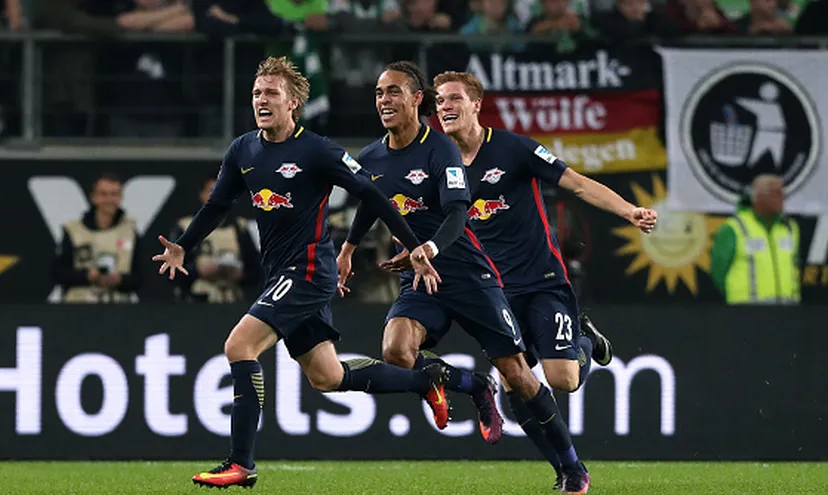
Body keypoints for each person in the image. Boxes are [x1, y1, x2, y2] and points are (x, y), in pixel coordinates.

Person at [152, 56, 470, 489]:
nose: (261, 101)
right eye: (256, 94)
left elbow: (374, 196)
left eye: (271, 94)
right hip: (278, 272)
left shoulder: (318, 150)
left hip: (308, 270)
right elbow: (217, 206)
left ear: (294, 103)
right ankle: (423, 380)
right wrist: (183, 246)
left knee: (239, 346)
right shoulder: (243, 149)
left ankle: (240, 463)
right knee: (327, 377)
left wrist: (414, 244)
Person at [335, 61, 593, 494]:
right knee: (396, 350)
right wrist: (347, 248)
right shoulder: (372, 156)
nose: (384, 101)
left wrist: (429, 248)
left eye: (393, 91)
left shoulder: (441, 150)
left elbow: (457, 212)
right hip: (421, 277)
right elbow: (370, 200)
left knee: (521, 376)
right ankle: (474, 385)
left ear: (417, 100)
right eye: (379, 93)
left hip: (469, 273)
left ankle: (571, 467)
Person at [393, 70, 655, 492]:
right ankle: (566, 472)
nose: (445, 107)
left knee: (564, 380)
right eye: (439, 101)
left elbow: (578, 184)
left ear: (476, 105)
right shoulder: (434, 160)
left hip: (539, 281)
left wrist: (629, 211)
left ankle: (584, 342)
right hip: (490, 289)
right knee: (518, 384)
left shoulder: (512, 148)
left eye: (455, 99)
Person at [52, 173, 145, 303]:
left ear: (120, 197)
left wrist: (120, 279)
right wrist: (87, 276)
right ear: (94, 197)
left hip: (119, 306)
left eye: (114, 194)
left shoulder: (129, 231)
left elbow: (140, 277)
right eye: (103, 194)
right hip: (78, 306)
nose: (109, 199)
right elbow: (58, 272)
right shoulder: (74, 230)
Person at [168, 176, 263, 303]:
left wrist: (240, 274)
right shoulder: (185, 227)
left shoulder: (239, 228)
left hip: (232, 299)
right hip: (196, 300)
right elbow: (171, 271)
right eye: (211, 191)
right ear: (202, 195)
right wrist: (197, 271)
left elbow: (256, 270)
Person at [710, 174, 800, 305]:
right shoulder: (733, 228)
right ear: (757, 197)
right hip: (747, 313)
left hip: (787, 311)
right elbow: (718, 273)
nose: (781, 198)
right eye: (775, 193)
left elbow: (795, 267)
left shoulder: (790, 228)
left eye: (782, 194)